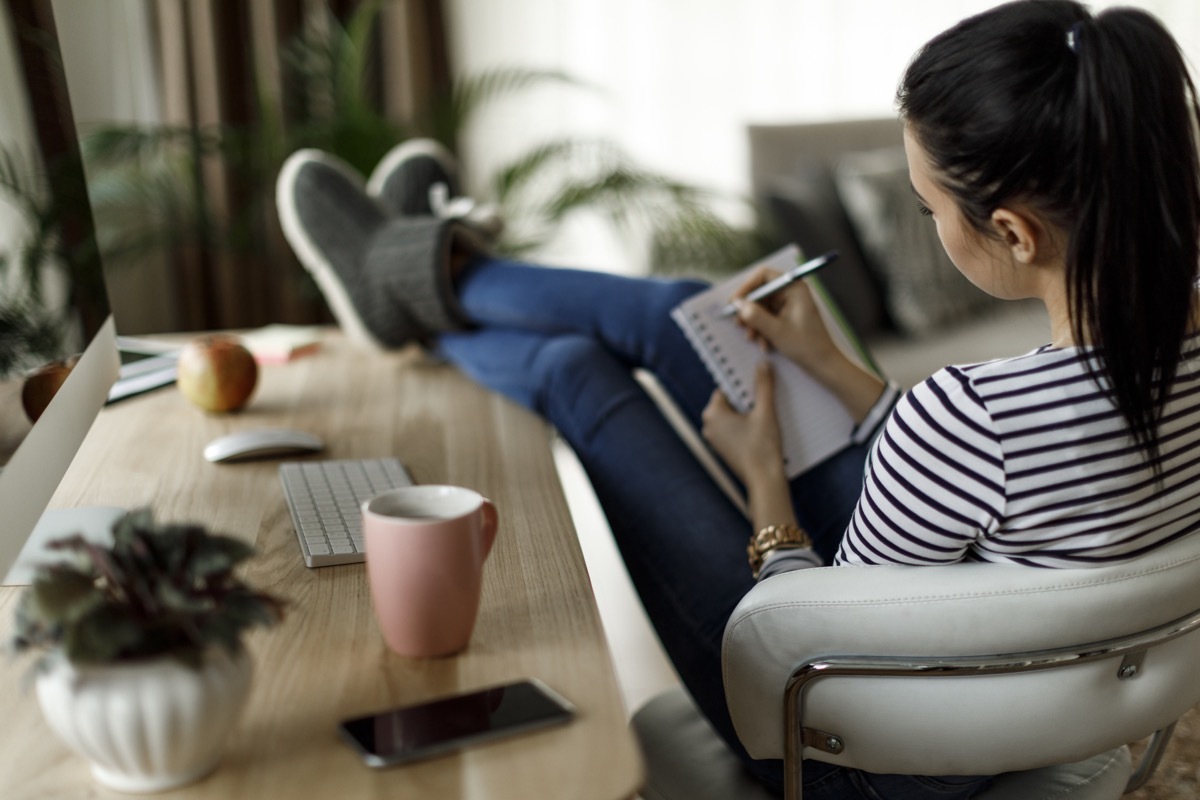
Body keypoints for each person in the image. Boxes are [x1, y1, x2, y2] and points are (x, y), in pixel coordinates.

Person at [275, 1, 1200, 796]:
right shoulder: (1084, 382)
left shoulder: (967, 414)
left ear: (1014, 232)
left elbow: (823, 641)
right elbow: (992, 487)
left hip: (865, 749)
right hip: (1023, 693)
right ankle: (424, 278)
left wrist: (764, 482)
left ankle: (412, 286)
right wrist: (829, 364)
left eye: (932, 210)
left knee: (576, 373)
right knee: (690, 313)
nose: (931, 224)